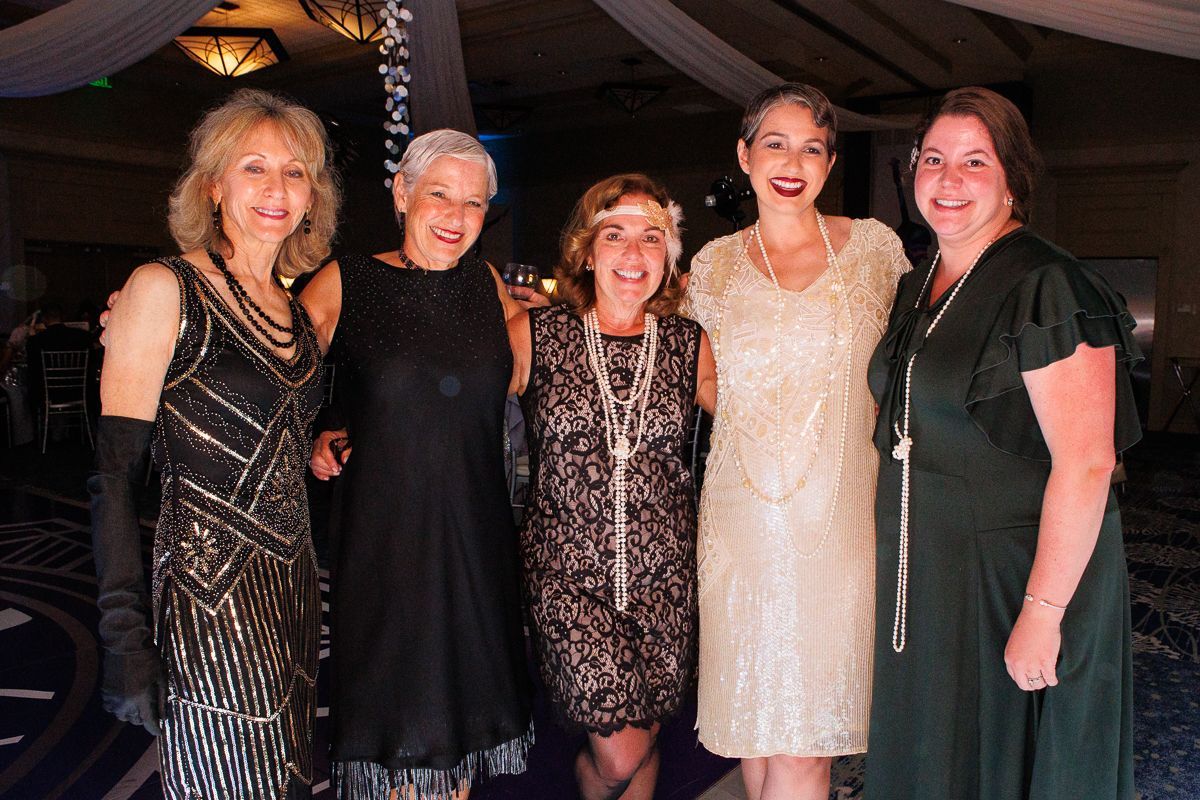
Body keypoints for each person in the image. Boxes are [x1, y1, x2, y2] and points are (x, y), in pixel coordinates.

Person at [867, 86, 1139, 799]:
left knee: (1002, 762)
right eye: (933, 159)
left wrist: (1042, 614)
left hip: (1015, 574)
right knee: (939, 752)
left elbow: (1088, 463)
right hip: (933, 570)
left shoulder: (1045, 283)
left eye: (974, 162)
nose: (948, 180)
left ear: (1013, 180)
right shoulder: (918, 280)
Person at [89, 88, 339, 799]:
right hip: (208, 601)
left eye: (296, 173)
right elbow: (112, 478)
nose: (277, 188)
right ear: (213, 185)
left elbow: (276, 430)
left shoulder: (293, 307)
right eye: (254, 168)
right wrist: (124, 641)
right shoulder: (164, 287)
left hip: (294, 592)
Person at [682, 83, 910, 800]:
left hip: (841, 522)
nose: (792, 160)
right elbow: (696, 379)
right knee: (755, 724)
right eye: (774, 143)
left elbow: (912, 362)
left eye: (812, 147)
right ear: (744, 155)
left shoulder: (876, 248)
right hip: (742, 519)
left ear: (831, 162)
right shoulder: (712, 265)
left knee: (806, 739)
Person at [305, 129, 536, 799]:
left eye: (474, 203)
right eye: (440, 195)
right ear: (403, 193)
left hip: (476, 534)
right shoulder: (350, 280)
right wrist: (326, 423)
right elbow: (277, 365)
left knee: (461, 730)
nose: (457, 217)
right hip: (388, 545)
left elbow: (526, 350)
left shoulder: (487, 284)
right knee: (402, 730)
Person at [508, 174, 717, 800]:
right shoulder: (538, 334)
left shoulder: (690, 345)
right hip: (566, 576)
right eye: (615, 236)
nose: (633, 255)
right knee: (621, 752)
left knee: (646, 736)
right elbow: (454, 404)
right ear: (586, 251)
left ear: (669, 258)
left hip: (667, 580)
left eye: (651, 239)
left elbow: (757, 428)